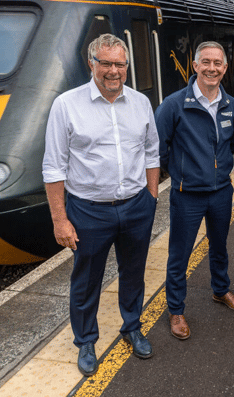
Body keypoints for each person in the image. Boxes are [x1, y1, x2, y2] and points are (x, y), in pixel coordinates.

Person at [42, 33, 160, 376]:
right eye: (105, 63)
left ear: (127, 66)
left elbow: (151, 152)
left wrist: (151, 196)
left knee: (134, 272)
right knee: (87, 278)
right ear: (91, 63)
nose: (113, 71)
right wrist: (60, 220)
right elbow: (53, 166)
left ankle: (132, 327)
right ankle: (86, 340)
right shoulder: (66, 105)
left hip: (137, 205)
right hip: (89, 210)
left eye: (119, 64)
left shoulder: (140, 103)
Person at [155, 41, 234, 341]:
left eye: (217, 63)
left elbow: (232, 144)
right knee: (179, 255)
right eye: (205, 62)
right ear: (194, 66)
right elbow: (159, 148)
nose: (212, 68)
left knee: (219, 247)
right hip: (187, 195)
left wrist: (217, 171)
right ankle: (176, 310)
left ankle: (221, 291)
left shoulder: (230, 104)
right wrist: (185, 173)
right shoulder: (173, 104)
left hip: (221, 191)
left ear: (225, 67)